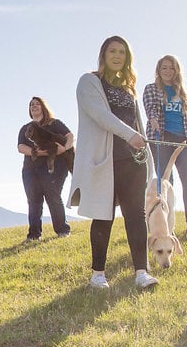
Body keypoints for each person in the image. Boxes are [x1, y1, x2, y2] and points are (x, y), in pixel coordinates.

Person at [69, 36, 158, 290]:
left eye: (122, 52)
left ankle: (142, 272)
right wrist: (130, 136)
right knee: (103, 214)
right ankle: (98, 274)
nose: (117, 56)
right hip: (105, 161)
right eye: (112, 51)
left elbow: (138, 126)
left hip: (133, 161)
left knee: (136, 215)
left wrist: (147, 157)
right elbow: (100, 115)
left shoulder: (129, 89)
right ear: (103, 54)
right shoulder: (90, 82)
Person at [143, 55, 187, 239]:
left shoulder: (182, 92)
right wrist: (153, 120)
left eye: (172, 68)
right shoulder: (152, 89)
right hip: (162, 137)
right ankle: (165, 224)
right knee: (166, 182)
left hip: (183, 139)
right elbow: (150, 108)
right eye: (164, 68)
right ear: (159, 71)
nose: (168, 71)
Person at [17, 96, 73, 242]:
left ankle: (62, 230)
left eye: (37, 104)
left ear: (43, 107)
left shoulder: (54, 124)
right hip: (30, 168)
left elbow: (70, 136)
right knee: (33, 200)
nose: (34, 106)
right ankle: (34, 234)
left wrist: (65, 149)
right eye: (31, 105)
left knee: (53, 196)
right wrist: (38, 152)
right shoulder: (25, 128)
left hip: (53, 167)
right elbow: (20, 147)